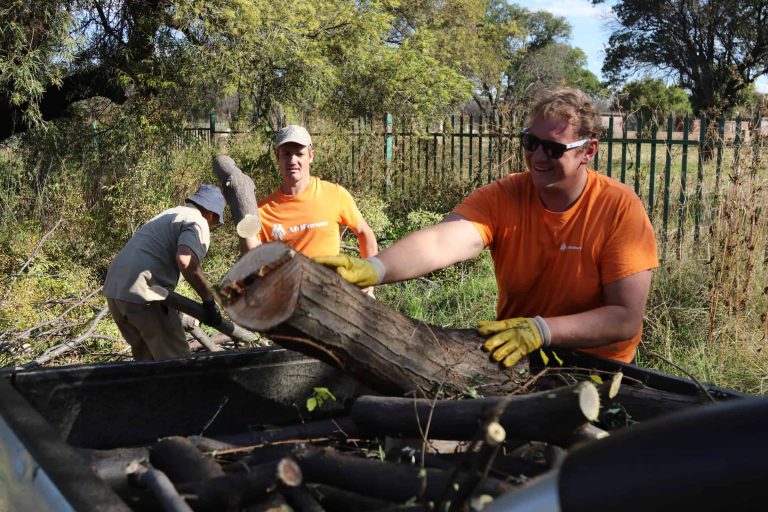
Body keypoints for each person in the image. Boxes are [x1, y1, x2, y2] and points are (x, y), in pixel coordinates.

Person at [317, 88, 659, 366]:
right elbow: (440, 242)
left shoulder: (619, 208)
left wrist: (542, 329)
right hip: (517, 354)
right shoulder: (506, 195)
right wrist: (374, 267)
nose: (538, 157)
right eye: (531, 143)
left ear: (589, 151)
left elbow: (624, 318)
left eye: (554, 149)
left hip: (597, 368)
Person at [103, 184, 226, 361]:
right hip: (144, 294)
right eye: (214, 221)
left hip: (115, 292)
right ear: (212, 214)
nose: (212, 224)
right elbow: (185, 260)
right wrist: (208, 300)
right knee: (177, 364)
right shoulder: (197, 220)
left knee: (148, 364)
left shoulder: (170, 214)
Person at [255, 124, 378, 260]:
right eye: (286, 154)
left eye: (299, 154)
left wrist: (370, 279)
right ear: (277, 157)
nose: (292, 161)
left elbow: (364, 233)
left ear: (311, 156)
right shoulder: (262, 211)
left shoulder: (335, 195)